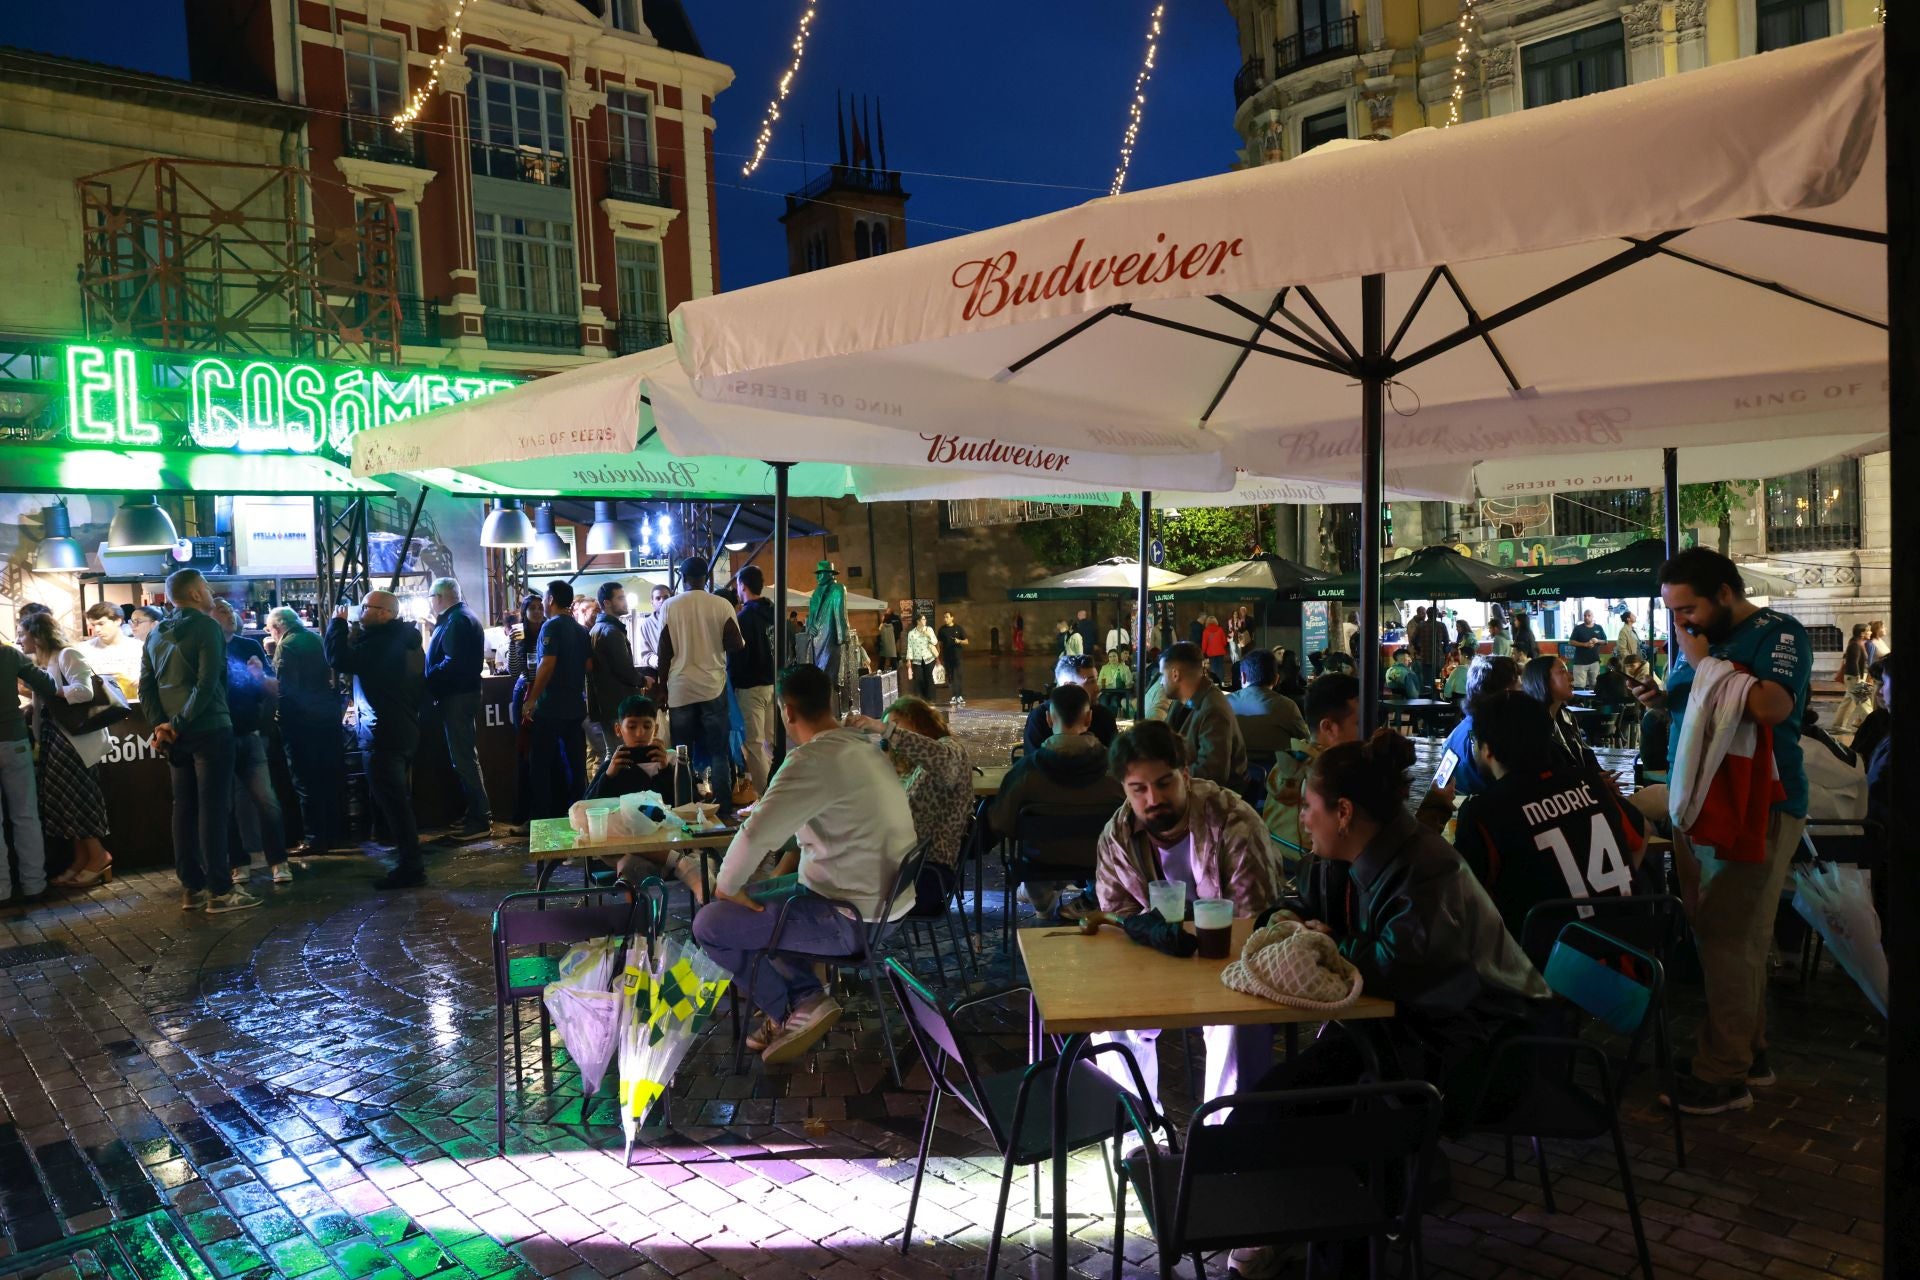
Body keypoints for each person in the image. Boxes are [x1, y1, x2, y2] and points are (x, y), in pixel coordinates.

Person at [1248, 729, 1553, 1126]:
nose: (1301, 819)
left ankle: (1393, 1174)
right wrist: (1285, 920)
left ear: (1343, 812)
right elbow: (1293, 906)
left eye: (1308, 807)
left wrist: (1328, 942)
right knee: (1263, 1110)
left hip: (1481, 1047)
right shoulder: (1334, 860)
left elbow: (1396, 968)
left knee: (1276, 1114)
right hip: (1399, 1032)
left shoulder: (1428, 869)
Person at [1639, 547, 1811, 1115]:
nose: (1680, 620)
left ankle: (1723, 1075)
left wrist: (1704, 660)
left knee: (1729, 935)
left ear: (1725, 594)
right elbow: (1701, 712)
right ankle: (1749, 1053)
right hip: (1698, 799)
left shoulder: (1777, 633)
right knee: (1719, 931)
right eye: (1673, 611)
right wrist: (1663, 699)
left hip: (1757, 802)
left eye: (1688, 607)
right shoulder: (1698, 643)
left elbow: (1772, 707)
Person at [693, 664, 919, 1064]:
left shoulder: (811, 760)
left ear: (787, 711)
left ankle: (790, 1009)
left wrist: (726, 888)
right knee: (759, 899)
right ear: (828, 702)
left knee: (711, 923)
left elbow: (755, 836)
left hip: (852, 919)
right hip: (887, 905)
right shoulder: (862, 746)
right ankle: (806, 997)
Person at [1092, 720, 1278, 1116]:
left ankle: (1223, 1135)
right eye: (1138, 789)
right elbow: (1117, 917)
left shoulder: (1234, 822)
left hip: (1229, 962)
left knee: (1238, 1022)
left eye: (1164, 783)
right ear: (1124, 790)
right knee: (1110, 1018)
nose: (1152, 798)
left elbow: (1254, 920)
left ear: (1186, 776)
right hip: (1154, 964)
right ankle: (1137, 1133)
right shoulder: (1117, 837)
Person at [1453, 690, 1642, 938]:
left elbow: (1458, 900)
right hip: (1633, 956)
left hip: (1543, 967)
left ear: (1486, 748)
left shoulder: (1484, 812)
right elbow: (1642, 834)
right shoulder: (1590, 783)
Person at [142, 568, 252, 912]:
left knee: (184, 809)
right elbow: (207, 684)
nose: (209, 592)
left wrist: (162, 725)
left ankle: (192, 888)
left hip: (175, 736)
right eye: (205, 587)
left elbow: (146, 686)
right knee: (214, 810)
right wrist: (179, 722)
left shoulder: (156, 632)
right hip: (209, 728)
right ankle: (221, 891)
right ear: (193, 594)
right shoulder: (207, 627)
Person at [994, 682, 1127, 920]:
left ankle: (1041, 901)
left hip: (1040, 860)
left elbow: (1001, 822)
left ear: (1047, 719)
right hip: (1100, 859)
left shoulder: (1026, 771)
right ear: (1088, 719)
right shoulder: (1116, 772)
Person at [327, 589, 426, 890]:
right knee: (397, 801)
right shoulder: (404, 641)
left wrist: (337, 624)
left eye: (367, 607)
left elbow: (338, 658)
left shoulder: (382, 644)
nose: (360, 611)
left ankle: (411, 867)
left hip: (383, 734)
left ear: (385, 612)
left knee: (395, 804)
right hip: (402, 730)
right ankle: (406, 860)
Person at [848, 697, 972, 915]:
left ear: (920, 723)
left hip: (927, 877)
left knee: (835, 889)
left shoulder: (950, 750)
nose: (889, 733)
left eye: (895, 723)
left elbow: (942, 761)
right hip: (907, 870)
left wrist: (884, 729)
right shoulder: (912, 769)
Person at [19, 613, 116, 891]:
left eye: (22, 633)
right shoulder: (45, 661)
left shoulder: (67, 654)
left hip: (73, 739)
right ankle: (81, 859)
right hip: (55, 737)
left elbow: (84, 691)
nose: (19, 639)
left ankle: (99, 856)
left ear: (37, 635)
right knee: (64, 803)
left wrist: (49, 690)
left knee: (76, 800)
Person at [209, 599, 291, 884]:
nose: (229, 614)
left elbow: (274, 689)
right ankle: (238, 863)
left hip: (249, 733)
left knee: (267, 801)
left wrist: (258, 676)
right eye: (221, 610)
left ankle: (278, 861)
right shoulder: (205, 648)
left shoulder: (249, 646)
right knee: (226, 805)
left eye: (230, 610)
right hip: (218, 736)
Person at [592, 696, 704, 898]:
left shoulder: (671, 760)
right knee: (630, 862)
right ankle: (679, 863)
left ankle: (640, 927)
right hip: (625, 844)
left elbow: (690, 806)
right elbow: (589, 809)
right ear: (619, 730)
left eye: (646, 726)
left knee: (631, 866)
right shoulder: (613, 765)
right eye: (632, 726)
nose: (639, 733)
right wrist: (609, 776)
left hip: (665, 841)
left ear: (657, 727)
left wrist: (665, 770)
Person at [658, 559, 745, 816]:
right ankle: (724, 807)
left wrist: (662, 688)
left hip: (680, 688)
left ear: (681, 576)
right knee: (718, 751)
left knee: (682, 753)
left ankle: (684, 804)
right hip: (712, 687)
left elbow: (664, 652)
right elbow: (737, 644)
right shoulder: (721, 604)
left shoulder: (670, 606)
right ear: (706, 576)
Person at [263, 607, 345, 856]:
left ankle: (314, 838)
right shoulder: (315, 638)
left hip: (301, 722)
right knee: (328, 777)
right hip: (326, 717)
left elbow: (285, 689)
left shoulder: (286, 646)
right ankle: (335, 834)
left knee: (305, 781)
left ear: (277, 627)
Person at [1262, 672, 1362, 874]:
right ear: (1328, 727)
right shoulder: (1334, 777)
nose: (1368, 730)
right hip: (1318, 879)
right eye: (1358, 724)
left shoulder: (1288, 762)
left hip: (1276, 870)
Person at [520, 581, 594, 822]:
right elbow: (589, 666)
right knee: (576, 764)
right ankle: (578, 816)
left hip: (551, 707)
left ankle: (542, 819)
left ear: (550, 599)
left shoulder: (551, 627)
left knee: (540, 766)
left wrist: (531, 699)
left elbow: (547, 664)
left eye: (544, 598)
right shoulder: (581, 630)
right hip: (575, 707)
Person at [425, 578, 492, 841]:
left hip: (458, 696)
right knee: (464, 756)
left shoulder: (457, 621)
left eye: (431, 597)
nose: (430, 603)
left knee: (463, 758)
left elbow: (453, 663)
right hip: (462, 694)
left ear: (439, 597)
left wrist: (428, 678)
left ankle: (480, 819)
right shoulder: (460, 618)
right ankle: (476, 813)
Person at [0, 631, 57, 905]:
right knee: (25, 815)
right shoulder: (9, 653)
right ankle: (34, 885)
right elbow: (46, 683)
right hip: (14, 740)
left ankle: (1, 891)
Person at [1156, 642, 1247, 788]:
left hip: (1211, 801)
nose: (1161, 682)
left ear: (1175, 674)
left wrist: (1164, 777)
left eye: (1162, 674)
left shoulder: (1213, 711)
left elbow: (1212, 773)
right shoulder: (1182, 702)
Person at [586, 581, 649, 787]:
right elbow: (623, 669)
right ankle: (601, 793)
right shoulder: (611, 632)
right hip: (617, 702)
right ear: (607, 603)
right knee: (619, 756)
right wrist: (642, 680)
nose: (625, 602)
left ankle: (601, 793)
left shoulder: (598, 628)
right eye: (620, 598)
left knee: (613, 754)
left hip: (606, 703)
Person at [731, 566, 779, 798]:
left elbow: (738, 657)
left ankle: (765, 798)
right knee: (772, 743)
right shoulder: (775, 613)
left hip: (751, 688)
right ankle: (779, 792)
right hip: (775, 685)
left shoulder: (743, 619)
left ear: (743, 586)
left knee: (755, 745)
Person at [1521, 653, 1603, 782]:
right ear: (1542, 679)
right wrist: (1590, 782)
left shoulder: (1567, 717)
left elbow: (1587, 756)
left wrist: (1601, 778)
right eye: (1563, 672)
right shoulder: (1528, 725)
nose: (1571, 678)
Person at [504, 592, 543, 836]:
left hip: (547, 694)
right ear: (525, 611)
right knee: (526, 753)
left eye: (541, 607)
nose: (538, 611)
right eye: (533, 608)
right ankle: (525, 814)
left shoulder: (551, 630)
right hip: (526, 693)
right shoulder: (520, 634)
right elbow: (514, 669)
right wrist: (515, 642)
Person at [1024, 653, 1117, 755]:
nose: (1097, 689)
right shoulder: (1039, 718)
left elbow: (1115, 761)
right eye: (1090, 682)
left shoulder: (1103, 716)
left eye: (1096, 680)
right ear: (1068, 686)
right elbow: (1034, 763)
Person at [1228, 649, 1308, 764]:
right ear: (1276, 679)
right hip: (1277, 777)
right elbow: (1304, 742)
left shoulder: (1224, 703)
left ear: (1243, 677)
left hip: (1232, 777)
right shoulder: (1287, 706)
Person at [82, 602, 142, 697]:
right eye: (93, 625)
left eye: (101, 624)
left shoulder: (139, 647)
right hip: (101, 705)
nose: (97, 629)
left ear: (117, 620)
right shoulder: (84, 649)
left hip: (135, 702)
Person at [935, 610, 969, 707]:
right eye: (944, 617)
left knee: (958, 676)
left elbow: (966, 641)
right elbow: (939, 644)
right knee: (950, 677)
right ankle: (953, 696)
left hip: (957, 657)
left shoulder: (958, 628)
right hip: (947, 657)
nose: (945, 619)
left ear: (952, 617)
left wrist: (959, 641)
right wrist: (937, 657)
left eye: (947, 617)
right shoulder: (942, 630)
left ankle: (960, 696)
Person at [635, 583, 670, 674]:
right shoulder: (646, 625)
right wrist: (659, 661)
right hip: (662, 672)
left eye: (666, 597)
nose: (662, 601)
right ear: (652, 602)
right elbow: (646, 654)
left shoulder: (681, 620)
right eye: (658, 598)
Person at [1568, 608, 1606, 690]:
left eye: (1589, 615)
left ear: (1593, 617)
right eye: (1585, 616)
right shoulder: (1578, 628)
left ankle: (1593, 703)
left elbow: (1605, 641)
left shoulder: (1599, 627)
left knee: (1595, 685)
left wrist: (1597, 640)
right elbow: (1571, 642)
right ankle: (1580, 702)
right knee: (1579, 686)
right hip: (1579, 663)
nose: (1586, 617)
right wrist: (1584, 644)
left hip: (1594, 661)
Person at [904, 613, 939, 700]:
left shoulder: (929, 629)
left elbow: (935, 642)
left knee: (929, 678)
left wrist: (928, 635)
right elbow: (910, 647)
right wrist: (909, 660)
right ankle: (922, 699)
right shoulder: (911, 633)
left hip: (929, 659)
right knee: (919, 679)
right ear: (918, 621)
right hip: (917, 660)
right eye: (923, 619)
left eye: (925, 619)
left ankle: (931, 699)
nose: (925, 621)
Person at [1199, 614, 1229, 683]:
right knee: (1220, 667)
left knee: (1213, 668)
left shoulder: (1205, 631)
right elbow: (1224, 642)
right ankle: (1221, 681)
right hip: (1220, 652)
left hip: (1211, 653)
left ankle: (1215, 683)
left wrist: (1203, 652)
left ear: (1207, 622)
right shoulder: (1220, 630)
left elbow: (1204, 644)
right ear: (1216, 621)